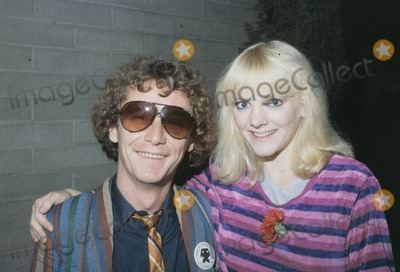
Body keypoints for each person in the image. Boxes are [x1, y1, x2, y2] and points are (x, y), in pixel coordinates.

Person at [31, 41, 394, 271]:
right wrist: (73, 206)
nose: (256, 118)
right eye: (242, 102)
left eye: (273, 100)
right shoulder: (224, 181)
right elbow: (144, 189)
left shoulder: (352, 186)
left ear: (304, 106)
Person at [30, 57, 218, 272]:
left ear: (191, 141)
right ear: (112, 129)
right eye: (137, 116)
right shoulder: (61, 224)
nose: (155, 137)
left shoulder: (210, 216)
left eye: (176, 122)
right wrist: (72, 210)